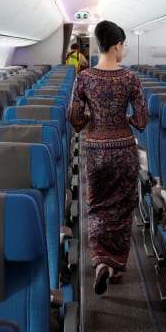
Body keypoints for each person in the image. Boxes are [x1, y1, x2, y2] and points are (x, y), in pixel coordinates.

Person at [67, 20, 149, 294]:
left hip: (96, 151)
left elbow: (74, 117)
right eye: (124, 45)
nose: (124, 50)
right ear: (116, 46)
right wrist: (122, 117)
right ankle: (115, 264)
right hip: (124, 150)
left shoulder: (84, 78)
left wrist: (94, 117)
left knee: (97, 207)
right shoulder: (131, 79)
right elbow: (141, 119)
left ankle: (100, 261)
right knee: (122, 209)